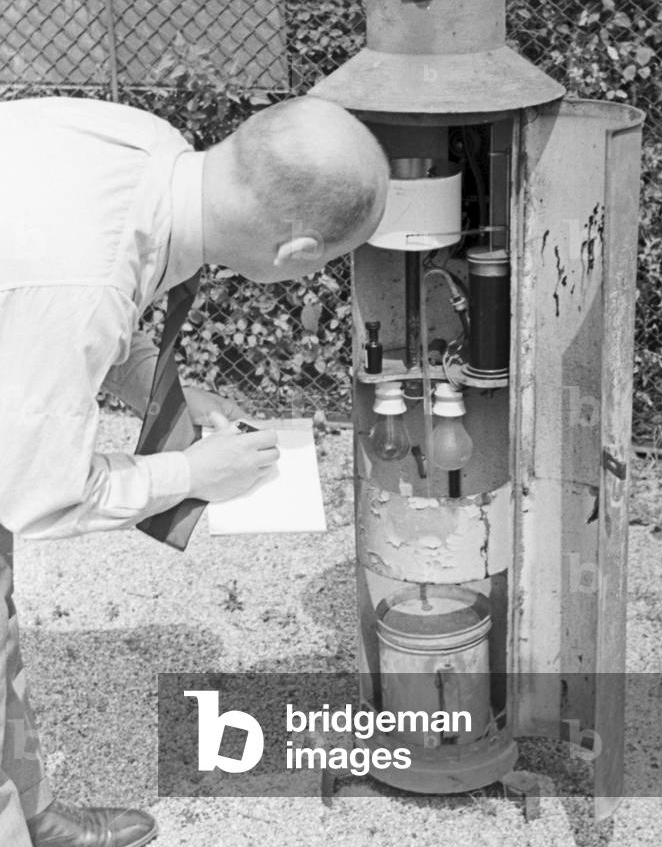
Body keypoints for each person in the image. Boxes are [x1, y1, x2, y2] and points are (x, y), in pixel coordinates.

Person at [0, 94, 389, 847]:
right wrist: (190, 473)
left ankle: (35, 814)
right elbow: (37, 496)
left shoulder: (154, 148)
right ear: (296, 256)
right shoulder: (84, 283)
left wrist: (152, 380)